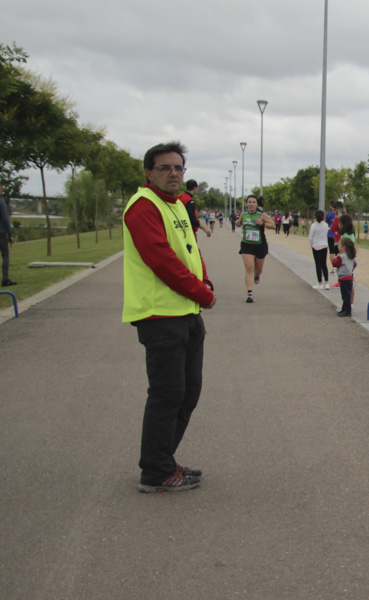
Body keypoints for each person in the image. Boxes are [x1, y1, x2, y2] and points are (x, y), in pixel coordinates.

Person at [122, 142, 216, 493]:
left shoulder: (173, 205)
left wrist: (203, 279)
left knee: (188, 392)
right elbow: (161, 260)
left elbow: (189, 249)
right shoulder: (143, 207)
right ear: (148, 172)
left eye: (179, 168)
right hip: (161, 316)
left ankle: (163, 460)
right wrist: (202, 293)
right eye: (165, 168)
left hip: (185, 313)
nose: (174, 173)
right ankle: (156, 471)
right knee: (167, 394)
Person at [235, 194, 274, 303]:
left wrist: (262, 223)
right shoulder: (244, 214)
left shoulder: (261, 214)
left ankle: (257, 275)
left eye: (253, 202)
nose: (251, 204)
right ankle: (250, 294)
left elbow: (273, 225)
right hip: (247, 244)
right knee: (249, 267)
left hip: (260, 245)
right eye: (249, 202)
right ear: (246, 203)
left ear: (257, 204)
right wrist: (237, 223)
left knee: (258, 270)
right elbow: (238, 224)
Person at [332, 237, 357, 317]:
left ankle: (347, 311)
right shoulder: (351, 256)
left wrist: (336, 258)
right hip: (349, 277)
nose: (338, 247)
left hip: (344, 278)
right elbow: (354, 264)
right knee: (347, 295)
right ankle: (345, 309)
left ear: (343, 247)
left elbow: (335, 264)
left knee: (345, 296)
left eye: (339, 245)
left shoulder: (341, 257)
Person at [308, 209, 331, 289]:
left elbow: (310, 238)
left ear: (315, 217)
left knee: (318, 264)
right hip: (324, 245)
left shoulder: (313, 225)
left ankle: (320, 283)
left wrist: (311, 245)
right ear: (323, 216)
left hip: (316, 245)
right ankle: (327, 282)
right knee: (324, 264)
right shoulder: (325, 225)